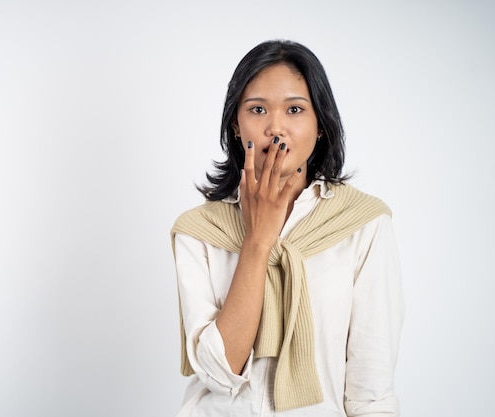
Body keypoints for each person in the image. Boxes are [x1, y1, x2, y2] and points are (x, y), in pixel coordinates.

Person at [170, 39, 404, 417]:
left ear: (320, 125)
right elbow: (219, 370)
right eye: (257, 109)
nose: (275, 127)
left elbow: (371, 393)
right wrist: (259, 240)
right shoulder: (198, 231)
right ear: (235, 123)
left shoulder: (363, 225)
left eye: (294, 109)